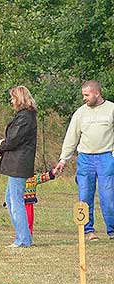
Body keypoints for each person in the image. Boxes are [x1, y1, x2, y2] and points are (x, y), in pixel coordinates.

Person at [56, 80, 114, 241]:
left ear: (97, 93)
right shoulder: (80, 113)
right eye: (83, 95)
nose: (84, 98)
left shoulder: (111, 109)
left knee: (108, 196)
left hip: (106, 158)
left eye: (87, 95)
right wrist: (63, 159)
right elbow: (71, 137)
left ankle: (112, 230)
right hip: (85, 159)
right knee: (84, 196)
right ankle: (88, 231)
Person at [0, 85, 37, 248]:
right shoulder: (24, 116)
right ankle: (23, 237)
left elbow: (14, 139)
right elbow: (14, 138)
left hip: (19, 164)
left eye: (13, 98)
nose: (11, 101)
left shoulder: (25, 117)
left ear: (19, 99)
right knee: (10, 200)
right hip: (17, 162)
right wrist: (3, 145)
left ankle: (23, 239)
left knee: (15, 201)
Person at [3, 168, 57, 235]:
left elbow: (44, 177)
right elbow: (10, 191)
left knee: (28, 220)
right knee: (19, 220)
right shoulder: (15, 179)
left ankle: (27, 235)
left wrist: (52, 172)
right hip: (18, 202)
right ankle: (22, 234)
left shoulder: (32, 178)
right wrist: (7, 202)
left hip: (27, 203)